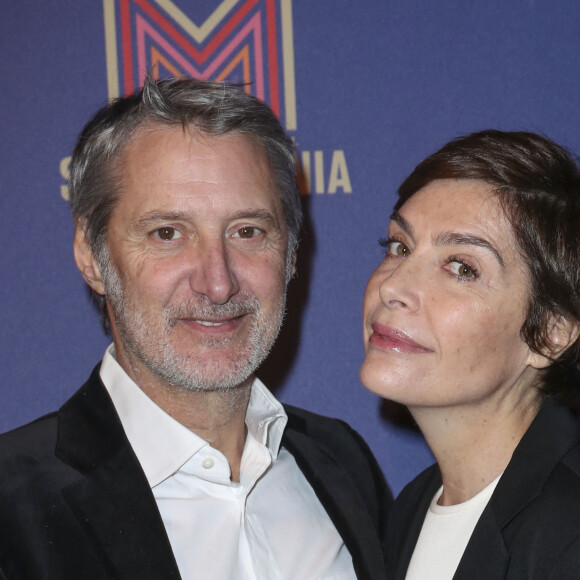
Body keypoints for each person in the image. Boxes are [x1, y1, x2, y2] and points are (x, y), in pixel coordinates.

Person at [0, 77, 390, 580]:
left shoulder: (342, 465)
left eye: (248, 231)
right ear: (91, 255)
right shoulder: (13, 510)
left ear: (292, 253)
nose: (218, 283)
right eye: (168, 233)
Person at [360, 130, 580, 579]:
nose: (393, 286)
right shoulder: (411, 510)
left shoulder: (570, 529)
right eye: (399, 246)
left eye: (462, 268)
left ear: (551, 335)